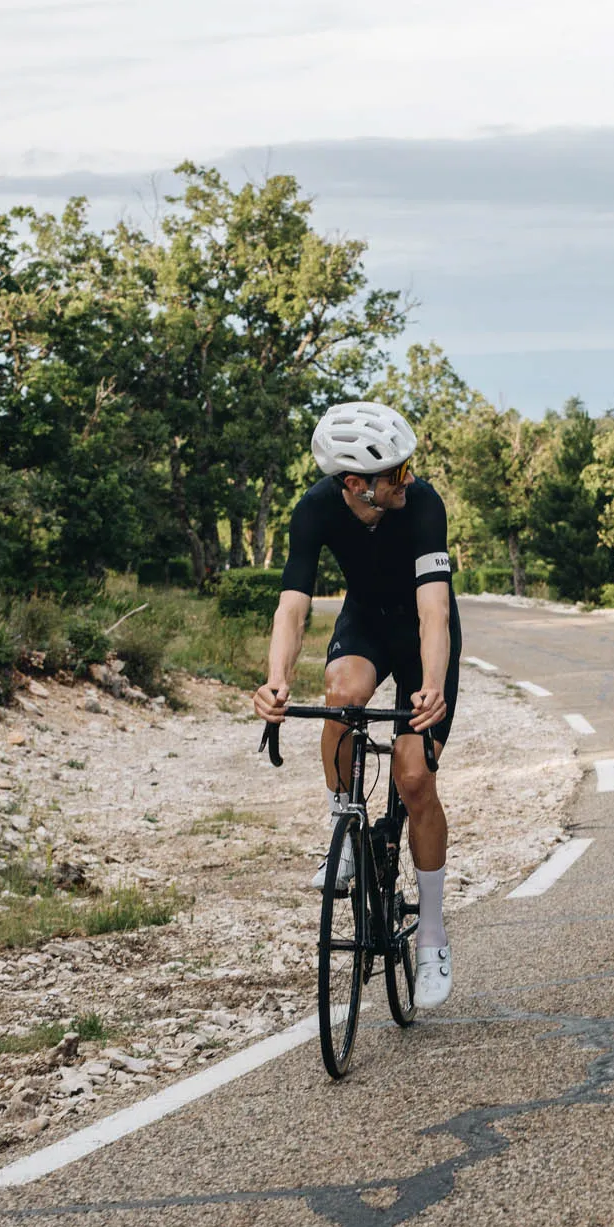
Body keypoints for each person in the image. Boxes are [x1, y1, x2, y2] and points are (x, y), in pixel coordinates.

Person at [253, 401, 461, 1009]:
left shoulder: (423, 505)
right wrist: (274, 681)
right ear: (355, 485)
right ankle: (343, 826)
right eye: (395, 472)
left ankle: (432, 934)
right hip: (366, 625)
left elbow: (435, 611)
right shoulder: (315, 509)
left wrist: (433, 684)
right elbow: (292, 606)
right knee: (341, 695)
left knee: (414, 775)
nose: (409, 478)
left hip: (422, 633)